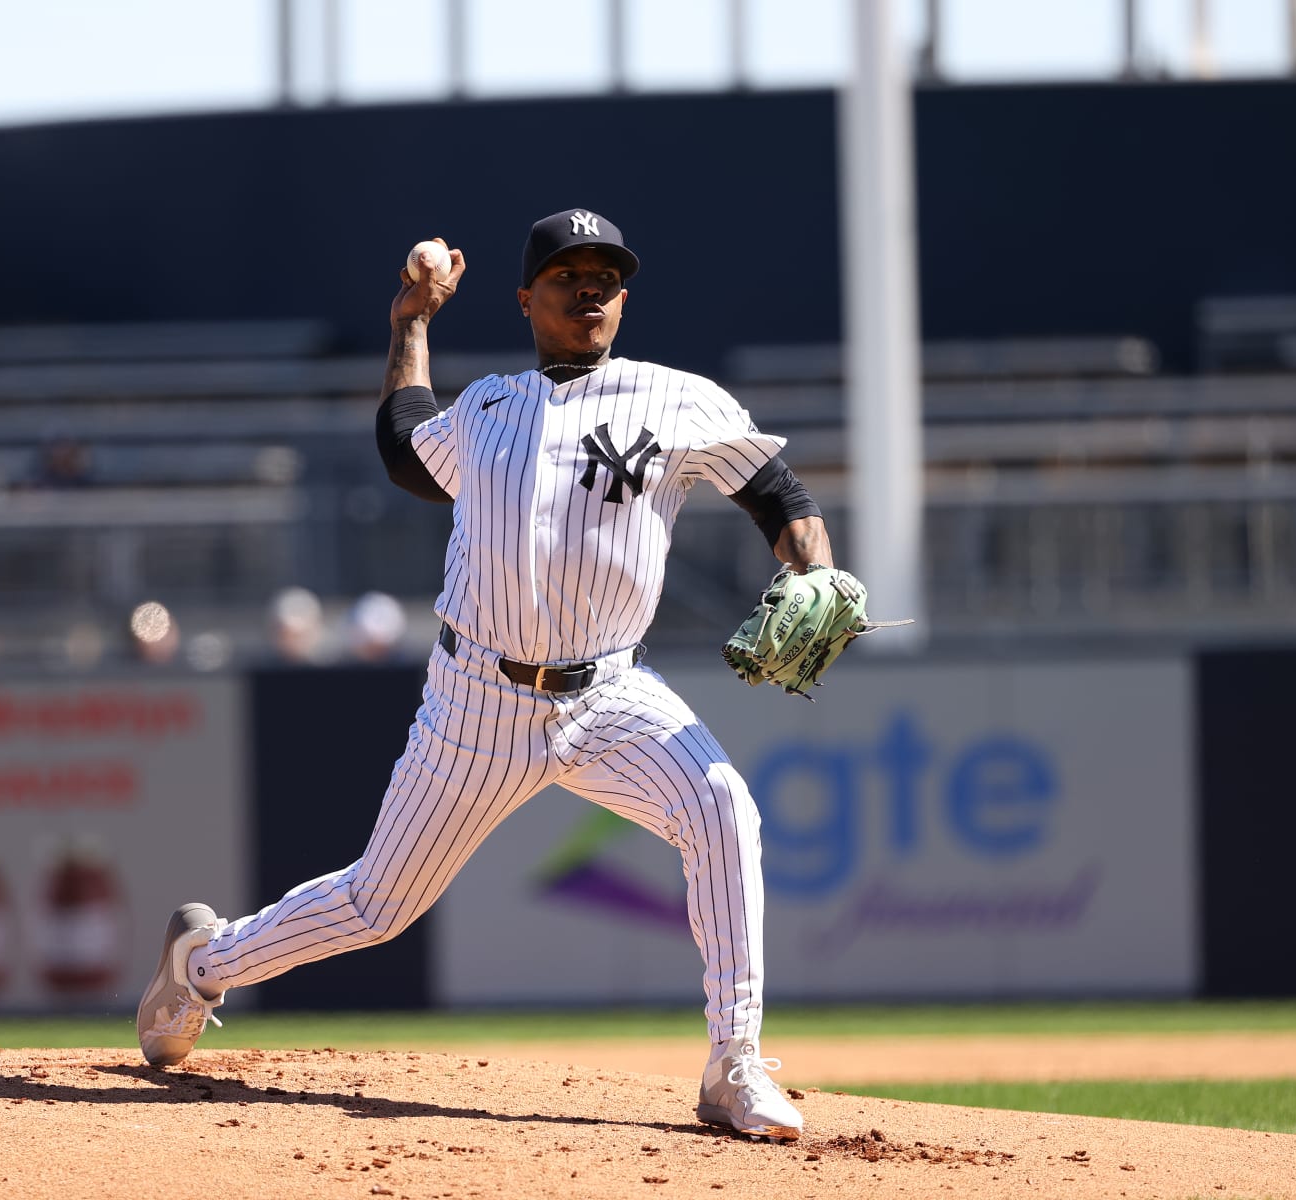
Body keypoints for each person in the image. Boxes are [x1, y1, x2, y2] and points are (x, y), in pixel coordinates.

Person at [137, 208, 834, 1141]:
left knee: (723, 809)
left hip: (611, 694)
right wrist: (410, 321)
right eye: (566, 273)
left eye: (607, 275)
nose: (590, 287)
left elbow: (779, 493)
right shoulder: (490, 407)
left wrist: (814, 570)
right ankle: (202, 963)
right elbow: (403, 444)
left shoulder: (678, 400)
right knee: (377, 906)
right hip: (478, 700)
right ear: (525, 299)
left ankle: (733, 1066)